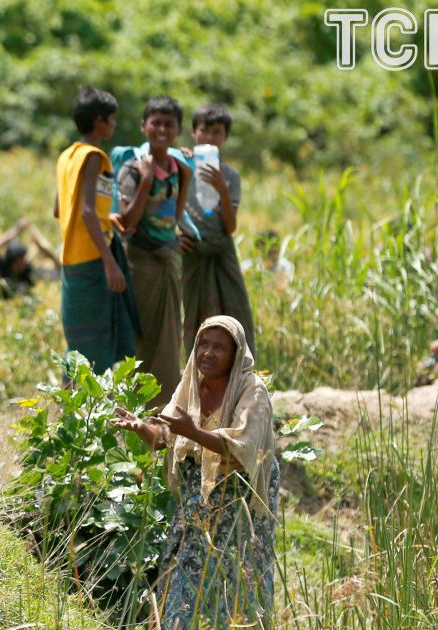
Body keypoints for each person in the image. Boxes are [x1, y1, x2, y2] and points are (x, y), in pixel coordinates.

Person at [113, 316, 278, 628]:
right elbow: (165, 437)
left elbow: (243, 446)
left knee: (240, 575)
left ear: (235, 355)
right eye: (203, 344)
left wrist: (193, 432)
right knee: (183, 569)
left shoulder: (251, 390)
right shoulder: (191, 384)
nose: (207, 353)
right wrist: (142, 427)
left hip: (239, 497)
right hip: (197, 499)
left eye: (219, 348)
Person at [114, 96, 194, 405]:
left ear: (178, 129)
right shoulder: (133, 170)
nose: (161, 129)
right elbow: (127, 222)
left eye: (168, 124)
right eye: (155, 123)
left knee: (168, 340)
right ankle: (136, 410)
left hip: (165, 262)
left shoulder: (179, 169)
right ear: (143, 126)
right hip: (140, 264)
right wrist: (147, 181)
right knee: (142, 339)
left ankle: (163, 410)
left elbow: (174, 216)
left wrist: (171, 241)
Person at [54, 86, 139, 374]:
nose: (114, 124)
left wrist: (106, 218)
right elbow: (87, 211)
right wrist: (110, 261)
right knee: (96, 343)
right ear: (99, 121)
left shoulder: (67, 157)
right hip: (92, 259)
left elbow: (59, 209)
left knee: (77, 341)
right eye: (112, 119)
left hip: (71, 259)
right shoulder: (93, 157)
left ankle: (70, 398)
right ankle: (90, 401)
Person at [178, 104, 256, 357]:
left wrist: (221, 188)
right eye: (204, 131)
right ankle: (197, 373)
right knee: (195, 314)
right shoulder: (181, 166)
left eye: (216, 132)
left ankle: (238, 373)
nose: (210, 137)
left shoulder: (230, 176)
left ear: (225, 137)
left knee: (234, 313)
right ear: (194, 132)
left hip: (222, 250)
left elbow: (230, 226)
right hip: (192, 250)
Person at [0, 218, 60, 300]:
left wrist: (50, 254)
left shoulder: (26, 270)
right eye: (20, 261)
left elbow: (52, 275)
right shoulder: (0, 267)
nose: (23, 263)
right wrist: (15, 231)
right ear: (13, 262)